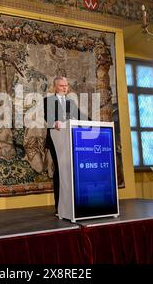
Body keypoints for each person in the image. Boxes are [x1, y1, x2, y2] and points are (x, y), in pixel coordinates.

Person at [43, 76, 88, 214]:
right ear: (55, 87)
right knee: (59, 172)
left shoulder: (70, 103)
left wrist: (94, 124)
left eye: (66, 85)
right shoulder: (48, 101)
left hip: (70, 140)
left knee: (70, 172)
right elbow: (48, 117)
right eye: (62, 85)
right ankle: (59, 208)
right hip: (57, 140)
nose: (65, 88)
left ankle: (71, 205)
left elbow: (80, 116)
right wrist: (54, 122)